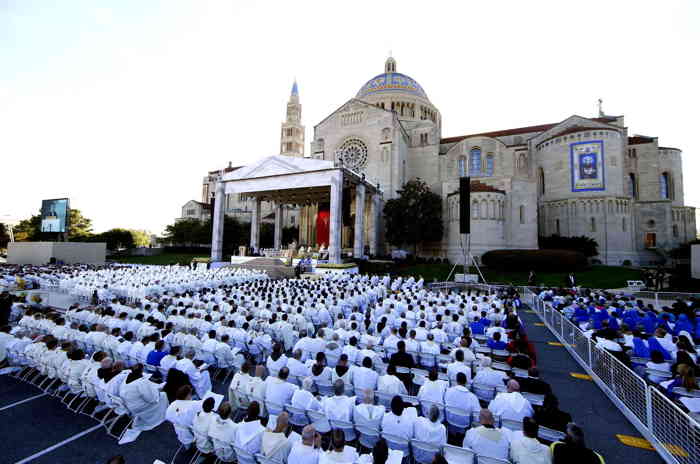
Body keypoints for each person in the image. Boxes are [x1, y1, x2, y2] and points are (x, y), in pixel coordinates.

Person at [118, 363, 169, 432]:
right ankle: (158, 417)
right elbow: (152, 400)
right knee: (163, 395)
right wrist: (157, 392)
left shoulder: (127, 377)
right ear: (141, 371)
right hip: (138, 407)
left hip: (130, 404)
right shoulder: (141, 382)